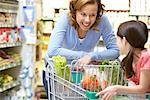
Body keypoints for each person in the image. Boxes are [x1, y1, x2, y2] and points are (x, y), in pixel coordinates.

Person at [43, 0, 119, 98]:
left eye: (92, 15)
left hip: (81, 74)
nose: (87, 20)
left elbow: (115, 51)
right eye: (83, 14)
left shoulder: (102, 21)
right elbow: (53, 51)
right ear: (75, 12)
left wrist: (93, 55)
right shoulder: (65, 19)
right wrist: (84, 56)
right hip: (58, 75)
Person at [96, 20, 150, 100]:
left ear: (124, 41)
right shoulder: (129, 59)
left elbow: (143, 88)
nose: (116, 43)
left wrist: (117, 89)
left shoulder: (146, 57)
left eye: (117, 39)